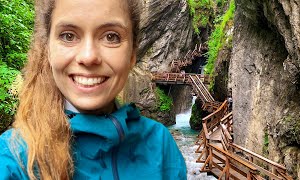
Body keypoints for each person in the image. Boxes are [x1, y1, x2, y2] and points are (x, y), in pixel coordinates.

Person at [0, 0, 187, 179]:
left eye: (111, 36)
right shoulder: (13, 157)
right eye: (68, 36)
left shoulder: (160, 145)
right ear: (48, 49)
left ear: (132, 54)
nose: (88, 57)